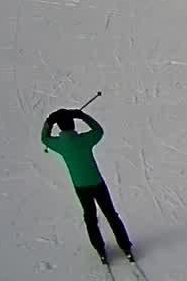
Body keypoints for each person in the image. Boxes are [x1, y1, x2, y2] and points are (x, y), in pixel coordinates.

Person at [42, 108, 135, 264]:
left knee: (90, 217)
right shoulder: (85, 140)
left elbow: (44, 138)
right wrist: (82, 116)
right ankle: (125, 246)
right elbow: (98, 130)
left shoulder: (59, 144)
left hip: (81, 187)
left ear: (59, 127)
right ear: (73, 124)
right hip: (97, 183)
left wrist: (49, 122)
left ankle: (100, 249)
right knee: (111, 214)